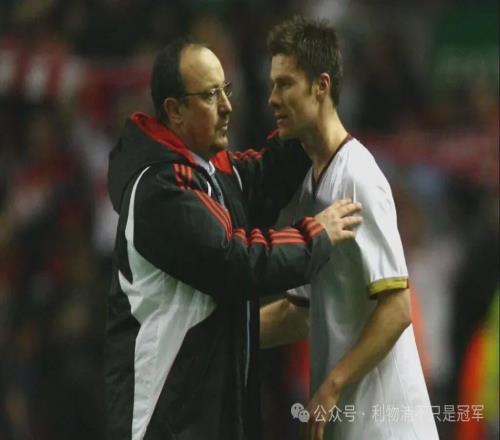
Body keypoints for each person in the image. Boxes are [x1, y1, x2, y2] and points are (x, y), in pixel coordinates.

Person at [105, 38, 362, 440]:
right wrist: (317, 234)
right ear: (174, 110)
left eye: (226, 90)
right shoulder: (159, 190)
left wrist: (307, 113)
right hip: (166, 424)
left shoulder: (208, 173)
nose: (227, 106)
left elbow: (265, 177)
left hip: (206, 418)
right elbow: (234, 260)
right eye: (210, 95)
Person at [260, 16, 439, 440]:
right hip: (349, 426)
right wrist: (218, 336)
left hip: (390, 428)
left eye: (285, 84)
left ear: (321, 86)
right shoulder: (309, 185)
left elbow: (397, 308)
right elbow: (298, 313)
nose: (272, 98)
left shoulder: (358, 176)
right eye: (272, 85)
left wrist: (332, 385)